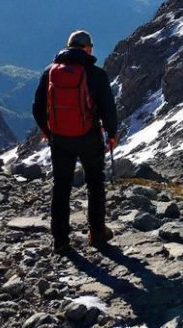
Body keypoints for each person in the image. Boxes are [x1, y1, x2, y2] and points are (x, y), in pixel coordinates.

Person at [32, 29, 119, 255]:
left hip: (60, 138)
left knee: (61, 186)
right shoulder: (96, 74)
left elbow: (37, 107)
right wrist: (111, 134)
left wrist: (48, 131)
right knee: (95, 183)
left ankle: (60, 240)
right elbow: (108, 109)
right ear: (87, 48)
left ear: (68, 46)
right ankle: (97, 233)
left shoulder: (50, 72)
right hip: (89, 137)